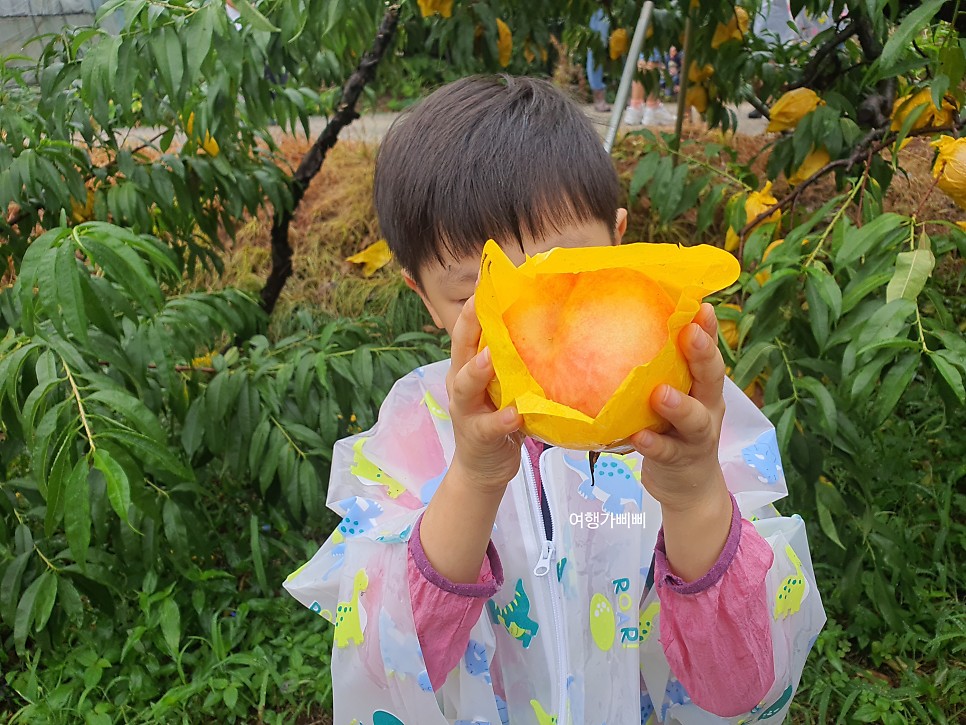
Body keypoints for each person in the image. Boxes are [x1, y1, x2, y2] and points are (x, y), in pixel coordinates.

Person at [284, 76, 825, 725]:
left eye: (567, 283)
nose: (529, 338)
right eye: (484, 297)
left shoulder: (685, 417)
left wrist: (693, 491)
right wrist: (474, 477)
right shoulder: (418, 431)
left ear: (620, 246)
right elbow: (394, 665)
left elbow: (742, 683)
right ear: (423, 296)